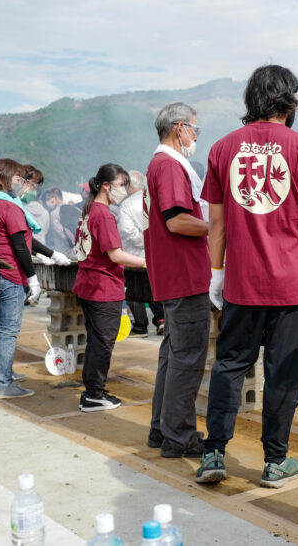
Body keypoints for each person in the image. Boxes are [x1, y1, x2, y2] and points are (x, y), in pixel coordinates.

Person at [197, 65, 298, 489]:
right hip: (292, 288)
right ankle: (275, 462)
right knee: (283, 375)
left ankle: (213, 455)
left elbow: (216, 225)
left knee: (229, 366)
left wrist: (216, 274)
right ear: (290, 101)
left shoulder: (223, 149)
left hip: (242, 284)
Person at [144, 102, 213, 458]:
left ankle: (162, 428)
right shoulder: (169, 166)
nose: (196, 137)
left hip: (173, 275)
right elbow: (177, 220)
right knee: (187, 359)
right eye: (195, 130)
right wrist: (219, 229)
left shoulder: (161, 164)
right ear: (179, 128)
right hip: (185, 275)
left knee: (174, 358)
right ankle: (179, 436)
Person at [0, 158, 67, 398]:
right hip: (8, 274)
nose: (21, 184)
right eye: (17, 179)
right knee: (7, 332)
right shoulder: (10, 207)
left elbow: (23, 238)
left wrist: (52, 253)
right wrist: (32, 279)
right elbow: (20, 246)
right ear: (4, 180)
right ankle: (4, 384)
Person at [72, 164, 145, 412]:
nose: (124, 190)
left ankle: (93, 389)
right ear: (106, 185)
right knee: (103, 343)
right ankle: (94, 393)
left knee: (96, 341)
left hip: (89, 285)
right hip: (102, 287)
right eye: (121, 185)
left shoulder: (89, 210)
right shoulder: (103, 214)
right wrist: (147, 262)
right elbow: (115, 255)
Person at [116, 170, 159, 336]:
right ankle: (161, 319)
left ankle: (141, 325)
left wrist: (142, 243)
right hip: (155, 254)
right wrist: (152, 244)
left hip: (134, 255)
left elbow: (127, 231)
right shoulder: (155, 200)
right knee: (155, 288)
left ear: (130, 186)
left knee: (134, 290)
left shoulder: (127, 205)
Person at [21, 165, 50, 245]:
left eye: (34, 187)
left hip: (28, 246)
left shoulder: (23, 209)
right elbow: (46, 231)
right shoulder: (45, 212)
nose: (33, 189)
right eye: (32, 185)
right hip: (41, 244)